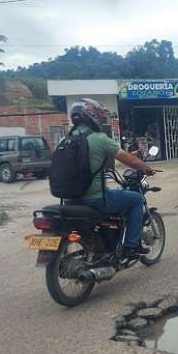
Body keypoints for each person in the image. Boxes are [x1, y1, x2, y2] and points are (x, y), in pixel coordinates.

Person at [65, 98, 156, 258]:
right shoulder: (99, 139)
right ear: (91, 115)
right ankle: (131, 246)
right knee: (136, 199)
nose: (101, 118)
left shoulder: (64, 140)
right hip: (96, 199)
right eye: (99, 114)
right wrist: (147, 168)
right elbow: (130, 159)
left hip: (70, 200)